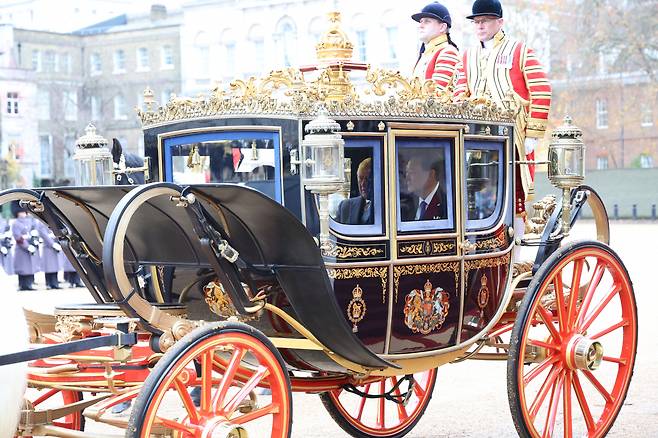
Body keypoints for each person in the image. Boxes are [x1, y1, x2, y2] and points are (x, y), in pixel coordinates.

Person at [454, 0, 551, 232]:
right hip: (476, 135)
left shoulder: (519, 50)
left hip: (514, 136)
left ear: (500, 22)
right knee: (474, 189)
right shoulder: (467, 56)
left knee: (515, 192)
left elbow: (541, 88)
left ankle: (514, 249)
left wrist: (533, 134)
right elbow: (459, 92)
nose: (480, 25)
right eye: (476, 21)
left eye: (485, 21)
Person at [411, 2, 460, 93]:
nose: (420, 26)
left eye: (427, 21)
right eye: (421, 21)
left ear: (442, 27)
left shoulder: (448, 52)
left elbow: (436, 98)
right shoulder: (426, 53)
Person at [403, 154, 447, 221]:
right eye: (407, 172)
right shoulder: (406, 204)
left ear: (431, 174)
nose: (407, 178)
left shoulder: (448, 205)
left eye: (412, 172)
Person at [336, 158, 374, 225]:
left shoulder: (387, 207)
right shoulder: (346, 206)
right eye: (360, 178)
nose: (362, 184)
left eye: (368, 179)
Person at [11, 205, 41, 291]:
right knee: (23, 269)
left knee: (29, 268)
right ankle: (23, 285)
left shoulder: (29, 221)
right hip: (21, 249)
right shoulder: (15, 223)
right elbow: (18, 237)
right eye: (21, 212)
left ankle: (29, 284)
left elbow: (31, 233)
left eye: (24, 212)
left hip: (29, 246)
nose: (23, 214)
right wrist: (27, 246)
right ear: (17, 213)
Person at [36, 221, 62, 289]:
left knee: (55, 267)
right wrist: (52, 244)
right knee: (48, 267)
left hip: (55, 245)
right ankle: (49, 283)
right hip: (48, 247)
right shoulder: (41, 223)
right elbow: (44, 235)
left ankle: (55, 283)